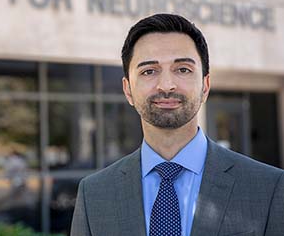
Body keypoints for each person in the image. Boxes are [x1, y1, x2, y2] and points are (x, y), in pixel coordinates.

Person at [70, 13, 284, 236]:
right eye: (149, 71)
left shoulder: (270, 188)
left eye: (183, 69)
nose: (166, 85)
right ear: (128, 90)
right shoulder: (93, 195)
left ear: (205, 86)